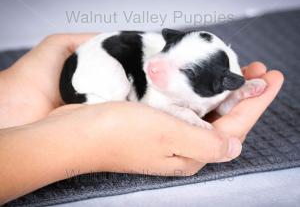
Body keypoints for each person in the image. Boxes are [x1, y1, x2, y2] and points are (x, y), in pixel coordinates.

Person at [0, 34, 284, 204]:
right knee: (122, 87)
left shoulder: (221, 83)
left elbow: (213, 104)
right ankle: (95, 102)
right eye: (167, 50)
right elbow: (159, 103)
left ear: (223, 83)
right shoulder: (152, 72)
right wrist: (89, 135)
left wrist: (234, 96)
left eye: (184, 70)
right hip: (95, 68)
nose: (155, 65)